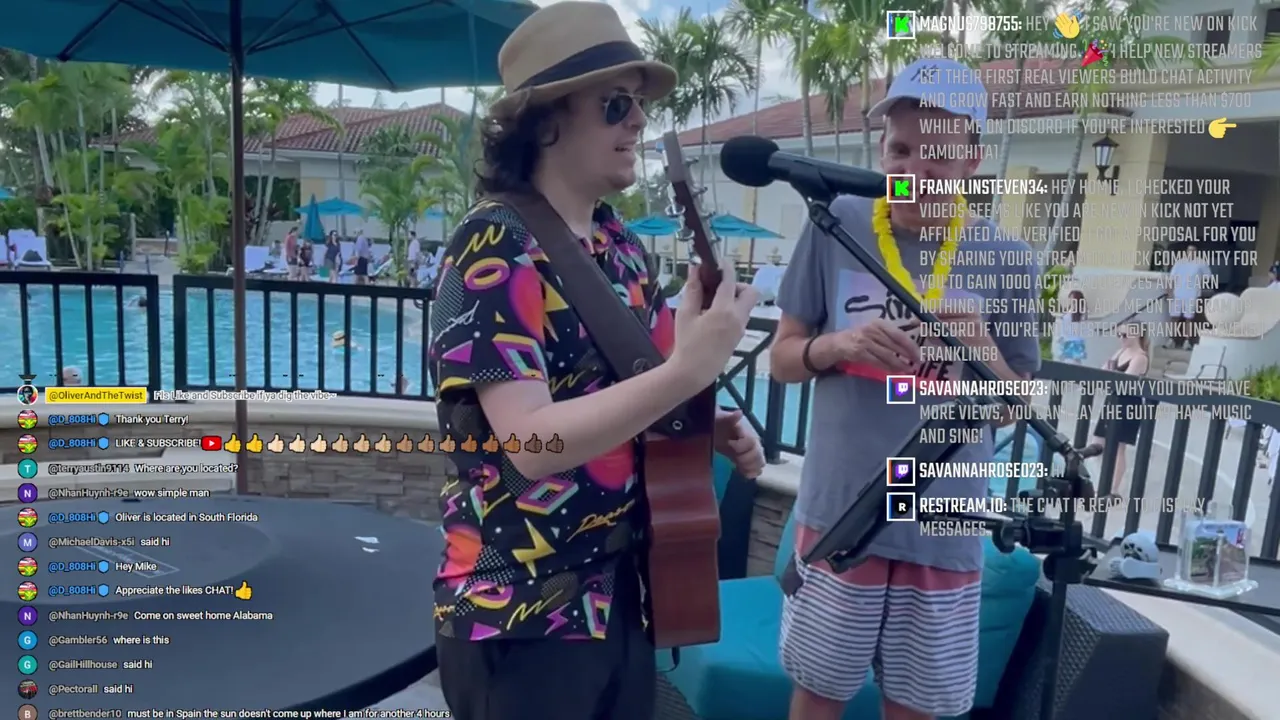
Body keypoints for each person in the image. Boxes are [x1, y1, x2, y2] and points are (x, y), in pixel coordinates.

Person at [427, 4, 763, 719]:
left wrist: (701, 420)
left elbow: (636, 392)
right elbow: (530, 442)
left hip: (619, 599)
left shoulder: (621, 247)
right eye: (615, 104)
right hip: (519, 616)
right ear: (545, 120)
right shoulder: (493, 248)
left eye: (638, 104)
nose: (637, 121)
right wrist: (685, 373)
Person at [768, 58, 1041, 720]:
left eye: (939, 154)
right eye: (901, 150)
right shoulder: (837, 224)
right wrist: (834, 347)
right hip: (841, 512)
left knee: (918, 706)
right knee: (817, 695)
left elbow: (1016, 404)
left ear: (973, 159)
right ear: (882, 151)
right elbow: (780, 360)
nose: (916, 168)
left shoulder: (1008, 259)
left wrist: (979, 346)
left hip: (942, 522)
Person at [1078, 323, 1150, 501]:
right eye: (1119, 335)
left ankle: (1113, 489)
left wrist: (1109, 375)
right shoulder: (1120, 352)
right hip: (1112, 401)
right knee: (1098, 443)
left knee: (1118, 448)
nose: (1121, 338)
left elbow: (1123, 381)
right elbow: (1104, 371)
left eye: (1125, 335)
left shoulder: (1140, 357)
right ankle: (1100, 482)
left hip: (1128, 404)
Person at [1167, 243, 1214, 348]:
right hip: (1177, 294)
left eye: (1193, 250)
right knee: (1174, 317)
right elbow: (1172, 278)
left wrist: (1198, 285)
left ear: (1196, 252)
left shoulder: (1201, 263)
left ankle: (1187, 341)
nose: (1191, 252)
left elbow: (1208, 277)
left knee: (1189, 318)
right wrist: (1170, 292)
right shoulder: (1179, 262)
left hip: (1192, 294)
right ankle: (1171, 339)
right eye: (1189, 250)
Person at [1053, 288, 1088, 364]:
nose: (1070, 300)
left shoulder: (1080, 312)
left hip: (1073, 341)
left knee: (1073, 362)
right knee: (1067, 361)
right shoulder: (1070, 310)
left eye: (1072, 298)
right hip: (1067, 339)